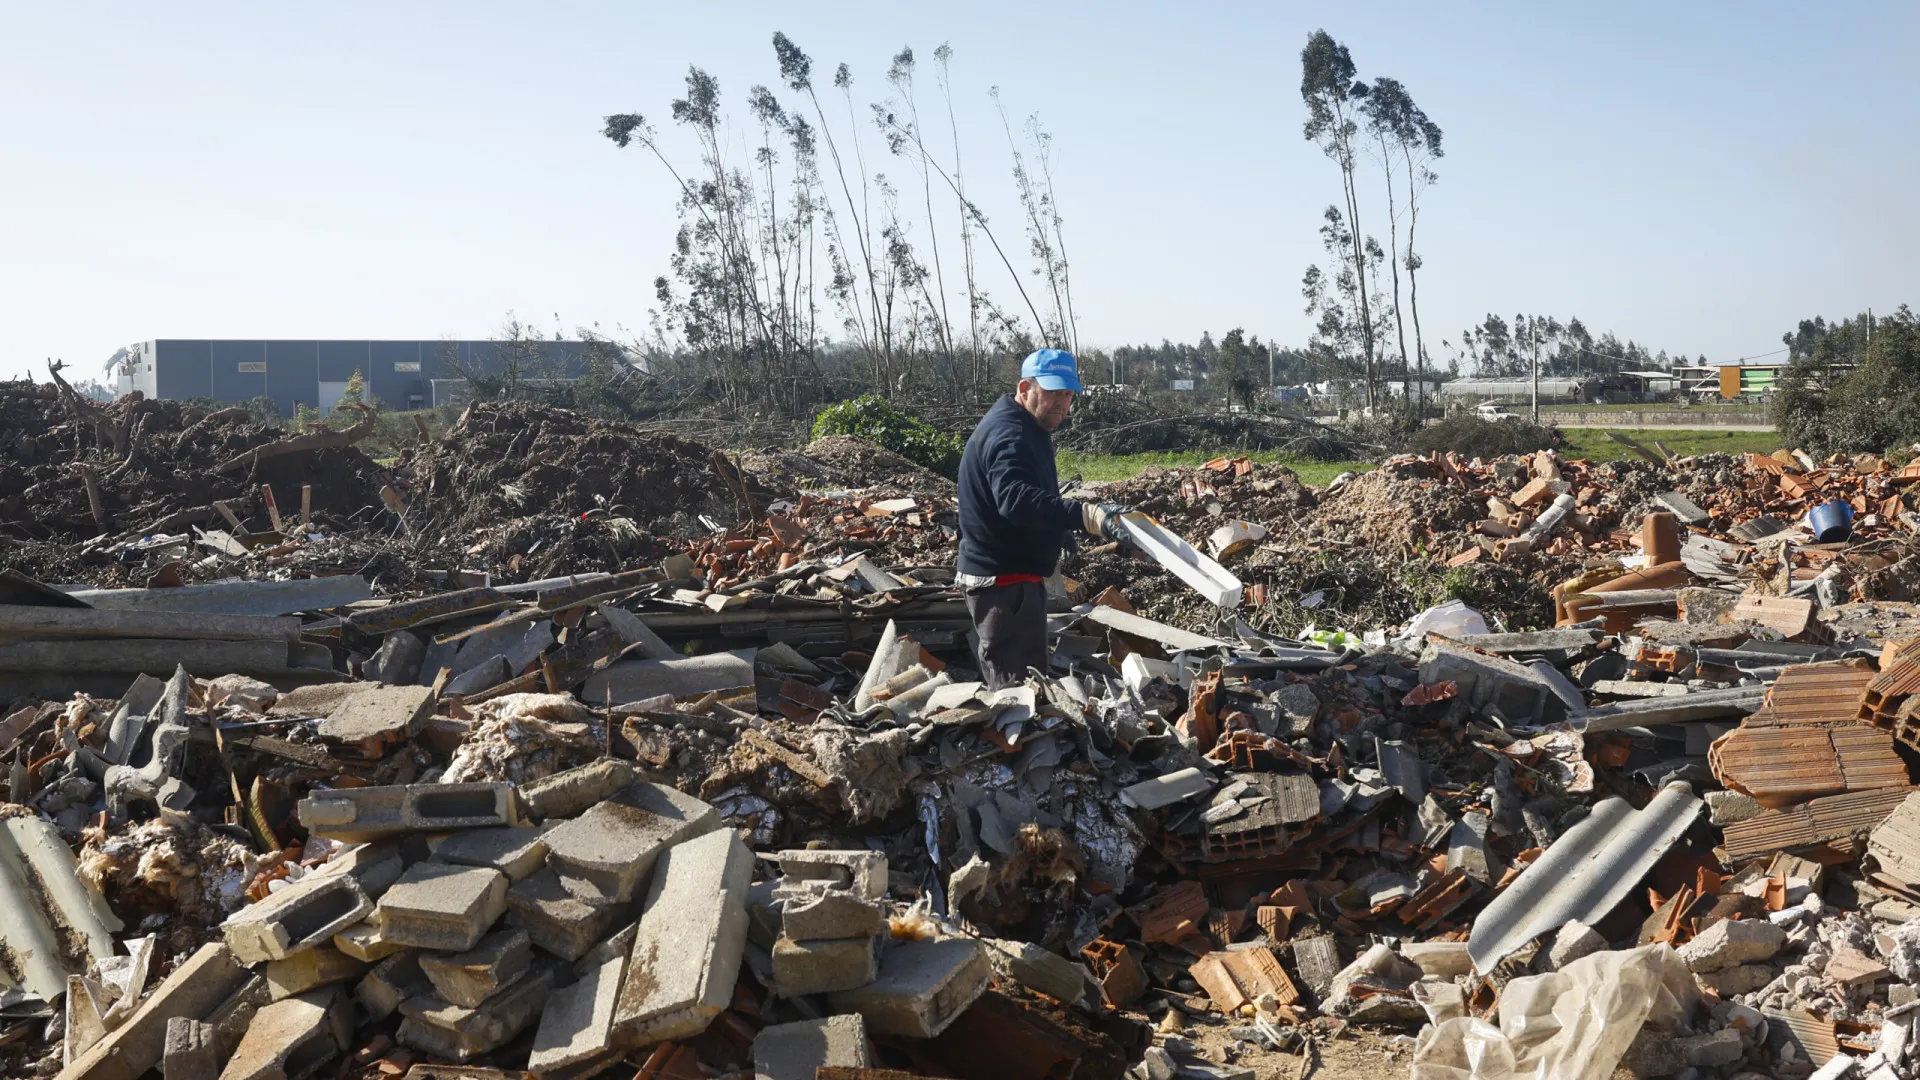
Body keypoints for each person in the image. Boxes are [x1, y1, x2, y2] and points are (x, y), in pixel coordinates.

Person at [956, 348, 1129, 688]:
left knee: (1030, 680)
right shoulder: (1010, 434)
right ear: (1025, 388)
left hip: (1013, 580)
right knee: (1016, 692)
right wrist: (1085, 515)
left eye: (1068, 394)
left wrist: (1057, 529)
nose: (1063, 403)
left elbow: (1030, 491)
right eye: (1053, 392)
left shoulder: (1027, 425)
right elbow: (1015, 499)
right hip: (1002, 585)